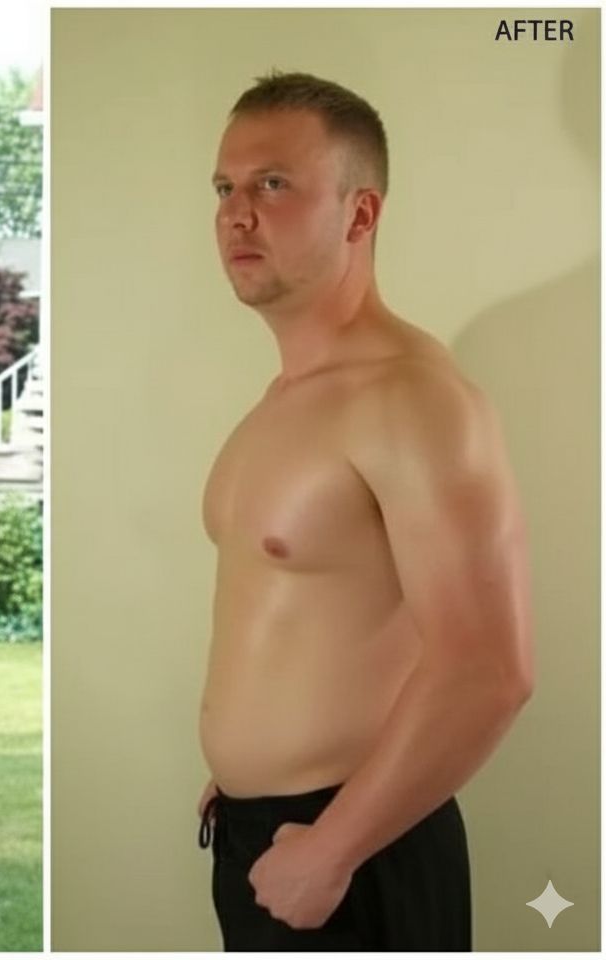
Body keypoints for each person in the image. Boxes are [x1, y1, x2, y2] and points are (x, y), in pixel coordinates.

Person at [195, 72, 533, 951]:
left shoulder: (413, 399)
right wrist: (244, 772)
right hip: (263, 834)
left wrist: (333, 848)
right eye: (225, 187)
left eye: (273, 184)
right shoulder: (282, 401)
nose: (238, 214)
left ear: (359, 214)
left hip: (357, 853)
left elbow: (490, 667)